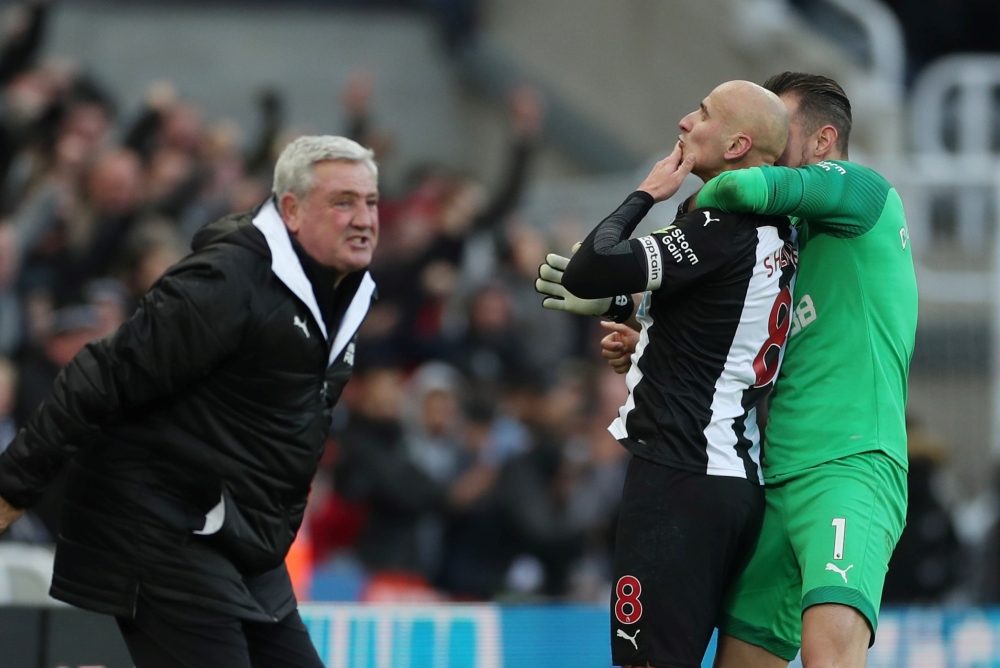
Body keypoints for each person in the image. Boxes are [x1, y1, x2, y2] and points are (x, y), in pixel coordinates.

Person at [0, 134, 380, 668]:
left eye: (371, 202)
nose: (364, 219)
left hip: (244, 543)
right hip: (163, 523)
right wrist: (11, 489)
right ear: (292, 211)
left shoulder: (346, 294)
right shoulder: (228, 280)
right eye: (343, 202)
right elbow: (102, 373)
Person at [601, 73, 918, 668]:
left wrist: (688, 183)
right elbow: (741, 348)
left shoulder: (865, 193)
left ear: (823, 142)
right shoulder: (781, 242)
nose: (766, 143)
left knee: (829, 657)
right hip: (775, 473)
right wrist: (649, 343)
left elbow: (745, 186)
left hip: (850, 464)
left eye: (779, 129)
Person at [539, 80, 797, 667]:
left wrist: (646, 193)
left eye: (703, 113)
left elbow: (590, 266)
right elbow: (713, 327)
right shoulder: (779, 229)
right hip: (734, 478)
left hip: (679, 474)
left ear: (736, 146)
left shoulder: (720, 226)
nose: (685, 120)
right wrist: (636, 328)